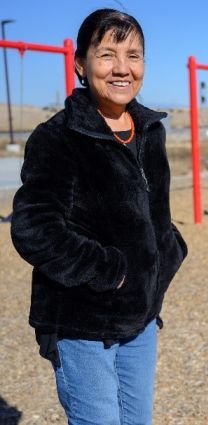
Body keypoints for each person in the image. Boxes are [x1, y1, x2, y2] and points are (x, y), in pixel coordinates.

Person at [10, 9, 187, 424]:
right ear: (81, 65)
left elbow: (155, 215)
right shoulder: (58, 137)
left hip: (140, 320)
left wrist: (167, 254)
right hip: (82, 323)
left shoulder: (150, 131)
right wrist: (108, 270)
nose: (122, 68)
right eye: (107, 54)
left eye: (134, 55)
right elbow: (33, 228)